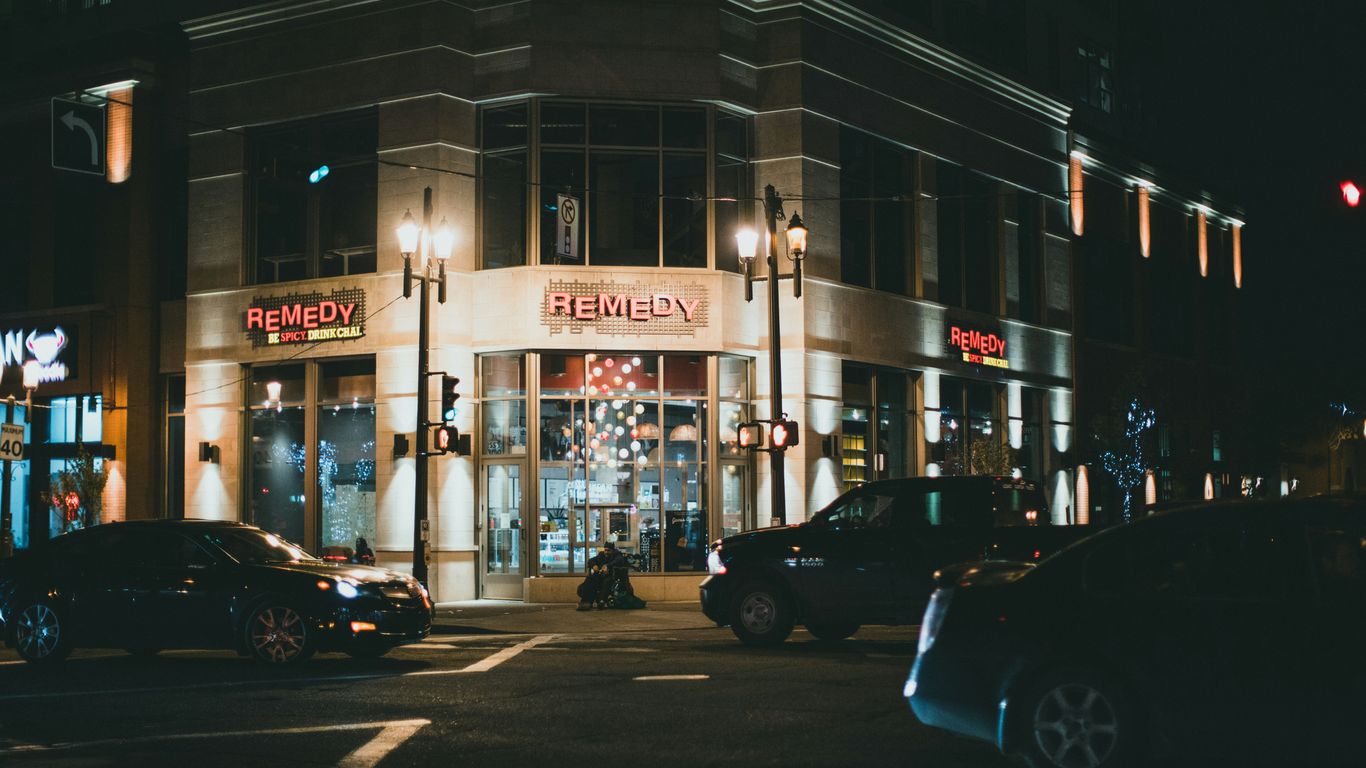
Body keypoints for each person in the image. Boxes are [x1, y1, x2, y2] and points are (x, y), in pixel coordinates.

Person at [577, 541, 629, 610]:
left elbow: (618, 561)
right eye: (605, 550)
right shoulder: (601, 555)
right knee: (591, 579)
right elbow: (591, 560)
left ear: (613, 551)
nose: (606, 552)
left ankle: (601, 601)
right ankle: (586, 601)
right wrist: (594, 565)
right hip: (600, 576)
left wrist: (607, 566)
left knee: (607, 581)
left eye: (608, 550)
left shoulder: (617, 555)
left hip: (612, 577)